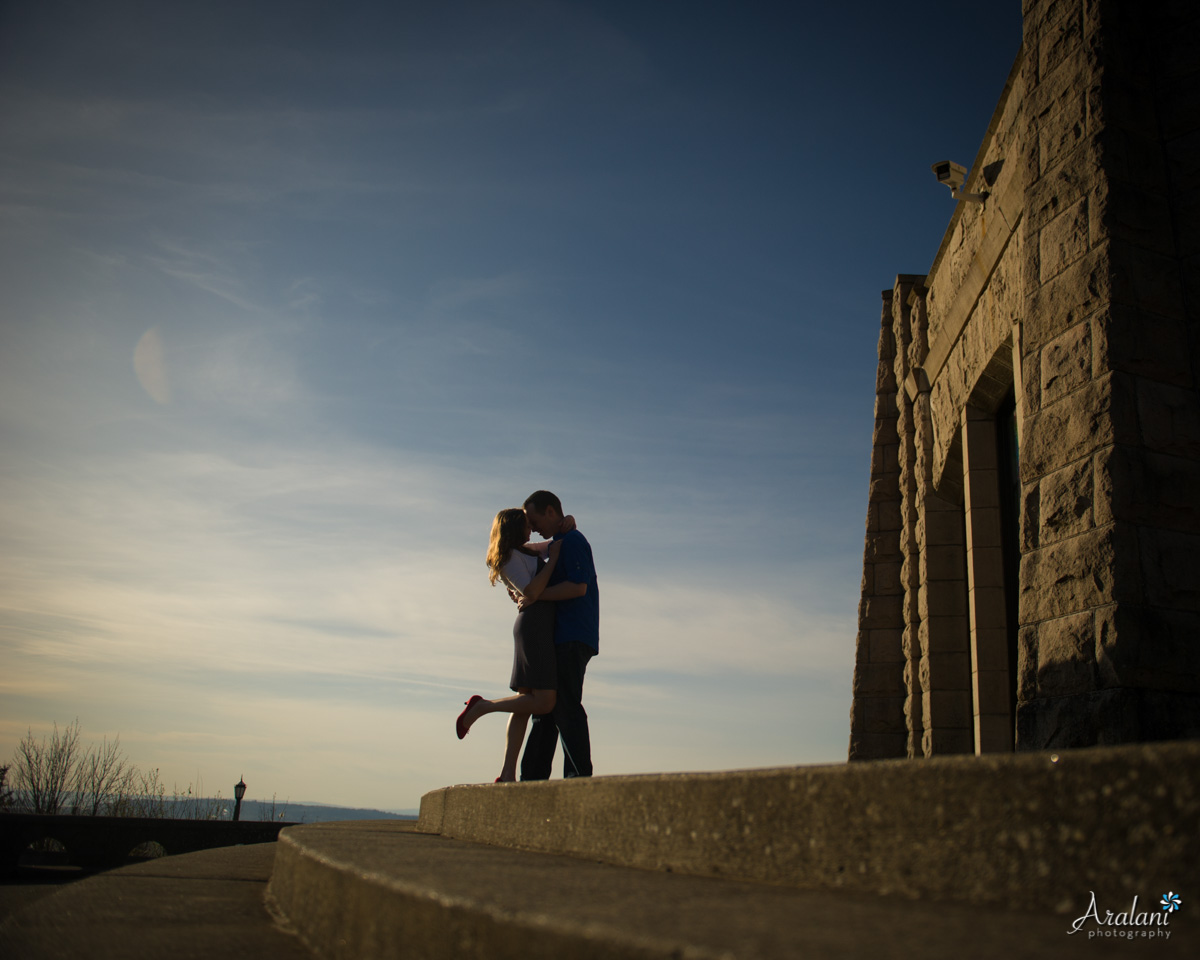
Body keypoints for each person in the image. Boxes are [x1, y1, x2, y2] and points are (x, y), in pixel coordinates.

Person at [456, 508, 565, 783]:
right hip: (533, 628)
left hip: (537, 625)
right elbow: (531, 591)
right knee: (543, 701)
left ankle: (507, 774)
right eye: (527, 525)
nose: (531, 530)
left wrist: (567, 526)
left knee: (523, 705)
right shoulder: (507, 559)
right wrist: (554, 562)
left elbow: (552, 544)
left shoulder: (525, 551)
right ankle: (483, 707)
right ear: (515, 528)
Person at [519, 490, 599, 779]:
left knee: (565, 705)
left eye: (534, 518)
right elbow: (529, 547)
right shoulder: (558, 542)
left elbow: (579, 587)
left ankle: (578, 779)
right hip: (559, 636)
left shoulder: (573, 541)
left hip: (573, 635)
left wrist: (537, 597)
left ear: (551, 511)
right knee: (548, 709)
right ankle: (533, 777)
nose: (533, 525)